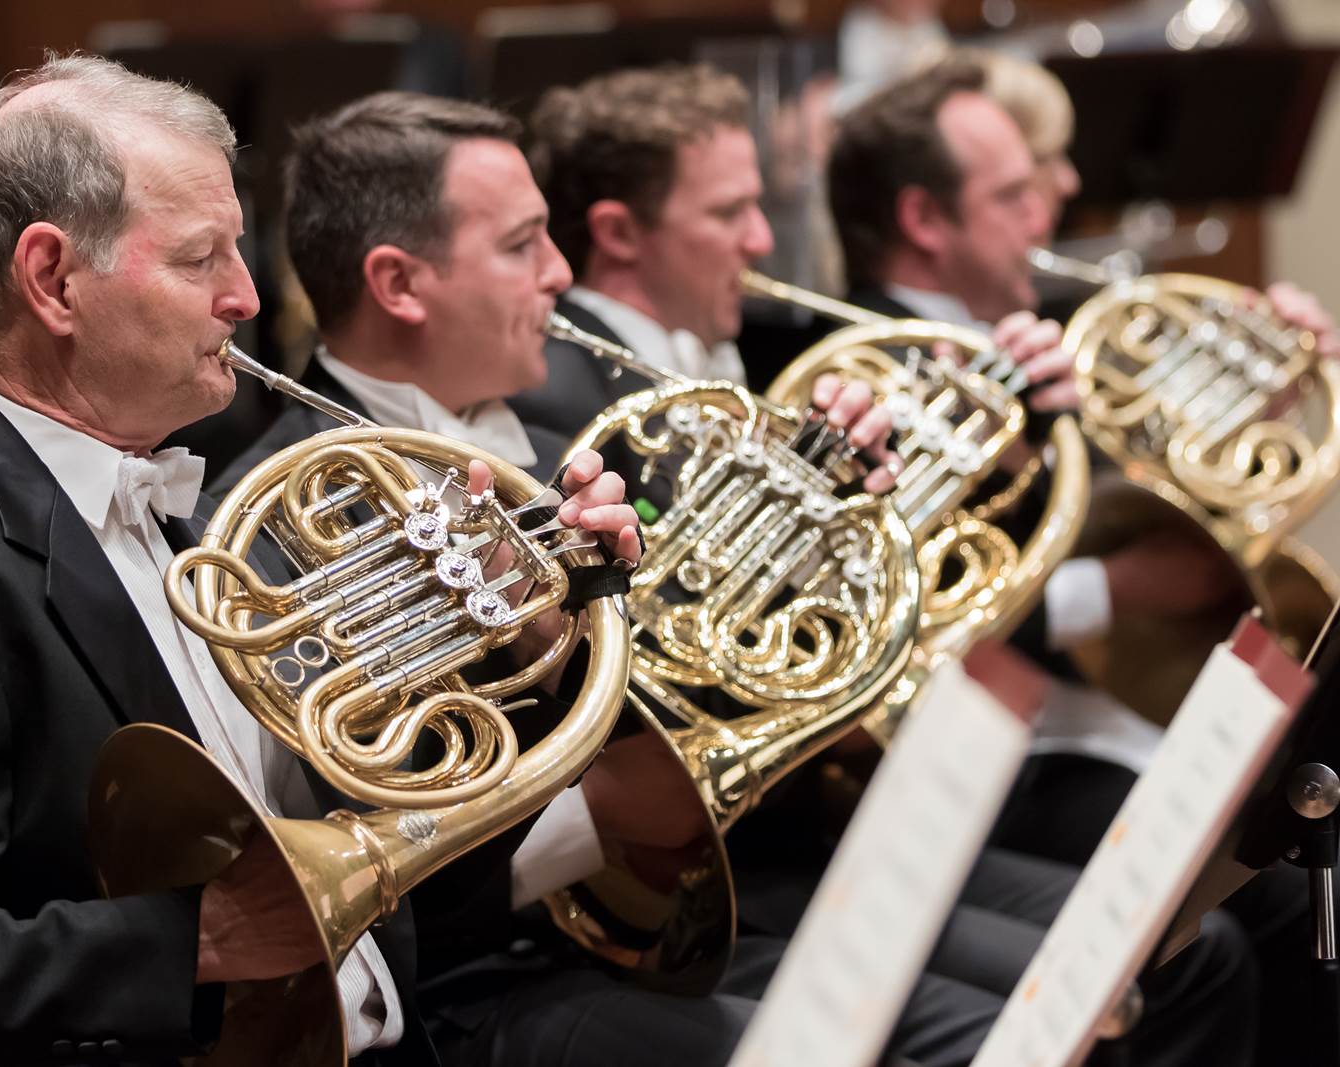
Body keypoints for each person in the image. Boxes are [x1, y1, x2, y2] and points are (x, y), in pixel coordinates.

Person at [0, 54, 642, 1067]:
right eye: (200, 258)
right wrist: (195, 942)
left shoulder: (197, 524)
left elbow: (388, 877)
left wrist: (539, 642)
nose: (246, 297)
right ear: (53, 279)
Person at [518, 61, 1263, 1067]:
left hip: (836, 807)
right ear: (619, 234)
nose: (763, 240)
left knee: (1200, 936)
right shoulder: (577, 408)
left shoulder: (723, 360)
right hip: (743, 848)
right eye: (731, 211)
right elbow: (699, 632)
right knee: (1122, 983)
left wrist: (1001, 465)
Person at [212, 89, 911, 1067]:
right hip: (457, 995)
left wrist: (822, 495)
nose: (562, 272)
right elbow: (354, 860)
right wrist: (601, 812)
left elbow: (712, 654)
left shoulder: (560, 449)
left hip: (634, 943)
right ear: (400, 283)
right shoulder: (276, 526)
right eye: (521, 244)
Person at [831, 52, 1339, 1062]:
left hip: (1115, 720)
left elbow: (1166, 489)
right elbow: (904, 613)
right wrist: (1117, 588)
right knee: (1268, 904)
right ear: (926, 220)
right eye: (1015, 190)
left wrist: (1270, 395)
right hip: (990, 766)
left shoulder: (1048, 325)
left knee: (1307, 850)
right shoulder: (846, 368)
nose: (1057, 197)